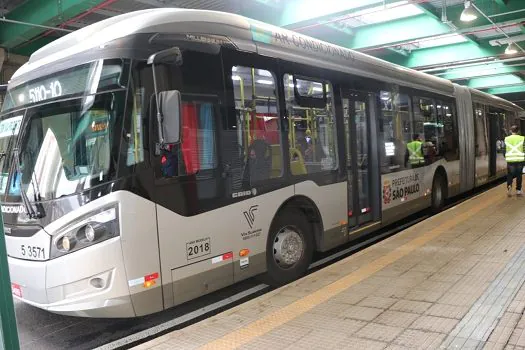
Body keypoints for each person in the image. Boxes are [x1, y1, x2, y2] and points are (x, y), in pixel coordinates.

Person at [504, 125, 525, 197]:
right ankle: (518, 190)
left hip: (510, 160)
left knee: (510, 174)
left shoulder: (506, 139)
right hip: (520, 160)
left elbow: (504, 149)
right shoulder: (522, 138)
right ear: (518, 131)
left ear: (510, 131)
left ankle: (509, 186)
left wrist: (506, 156)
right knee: (519, 175)